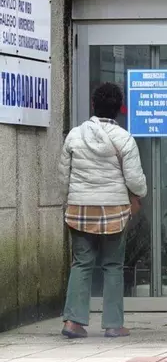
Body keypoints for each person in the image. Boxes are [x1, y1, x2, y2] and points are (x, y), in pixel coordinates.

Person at [58, 82, 147, 339]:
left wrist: (68, 200)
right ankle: (113, 325)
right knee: (113, 266)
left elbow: (63, 176)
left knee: (81, 263)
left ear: (93, 105)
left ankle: (73, 322)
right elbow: (135, 181)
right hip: (114, 211)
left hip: (80, 209)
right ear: (119, 108)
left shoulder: (74, 135)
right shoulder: (124, 138)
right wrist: (141, 193)